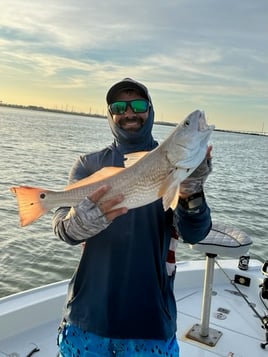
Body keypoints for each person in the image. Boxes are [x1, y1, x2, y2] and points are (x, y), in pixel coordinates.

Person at [53, 78, 212, 357]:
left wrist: (192, 193)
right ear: (110, 114)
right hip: (86, 318)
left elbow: (194, 234)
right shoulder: (88, 164)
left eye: (137, 105)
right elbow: (63, 230)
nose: (129, 113)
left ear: (150, 110)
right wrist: (78, 223)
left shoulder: (175, 164)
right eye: (119, 106)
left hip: (150, 322)